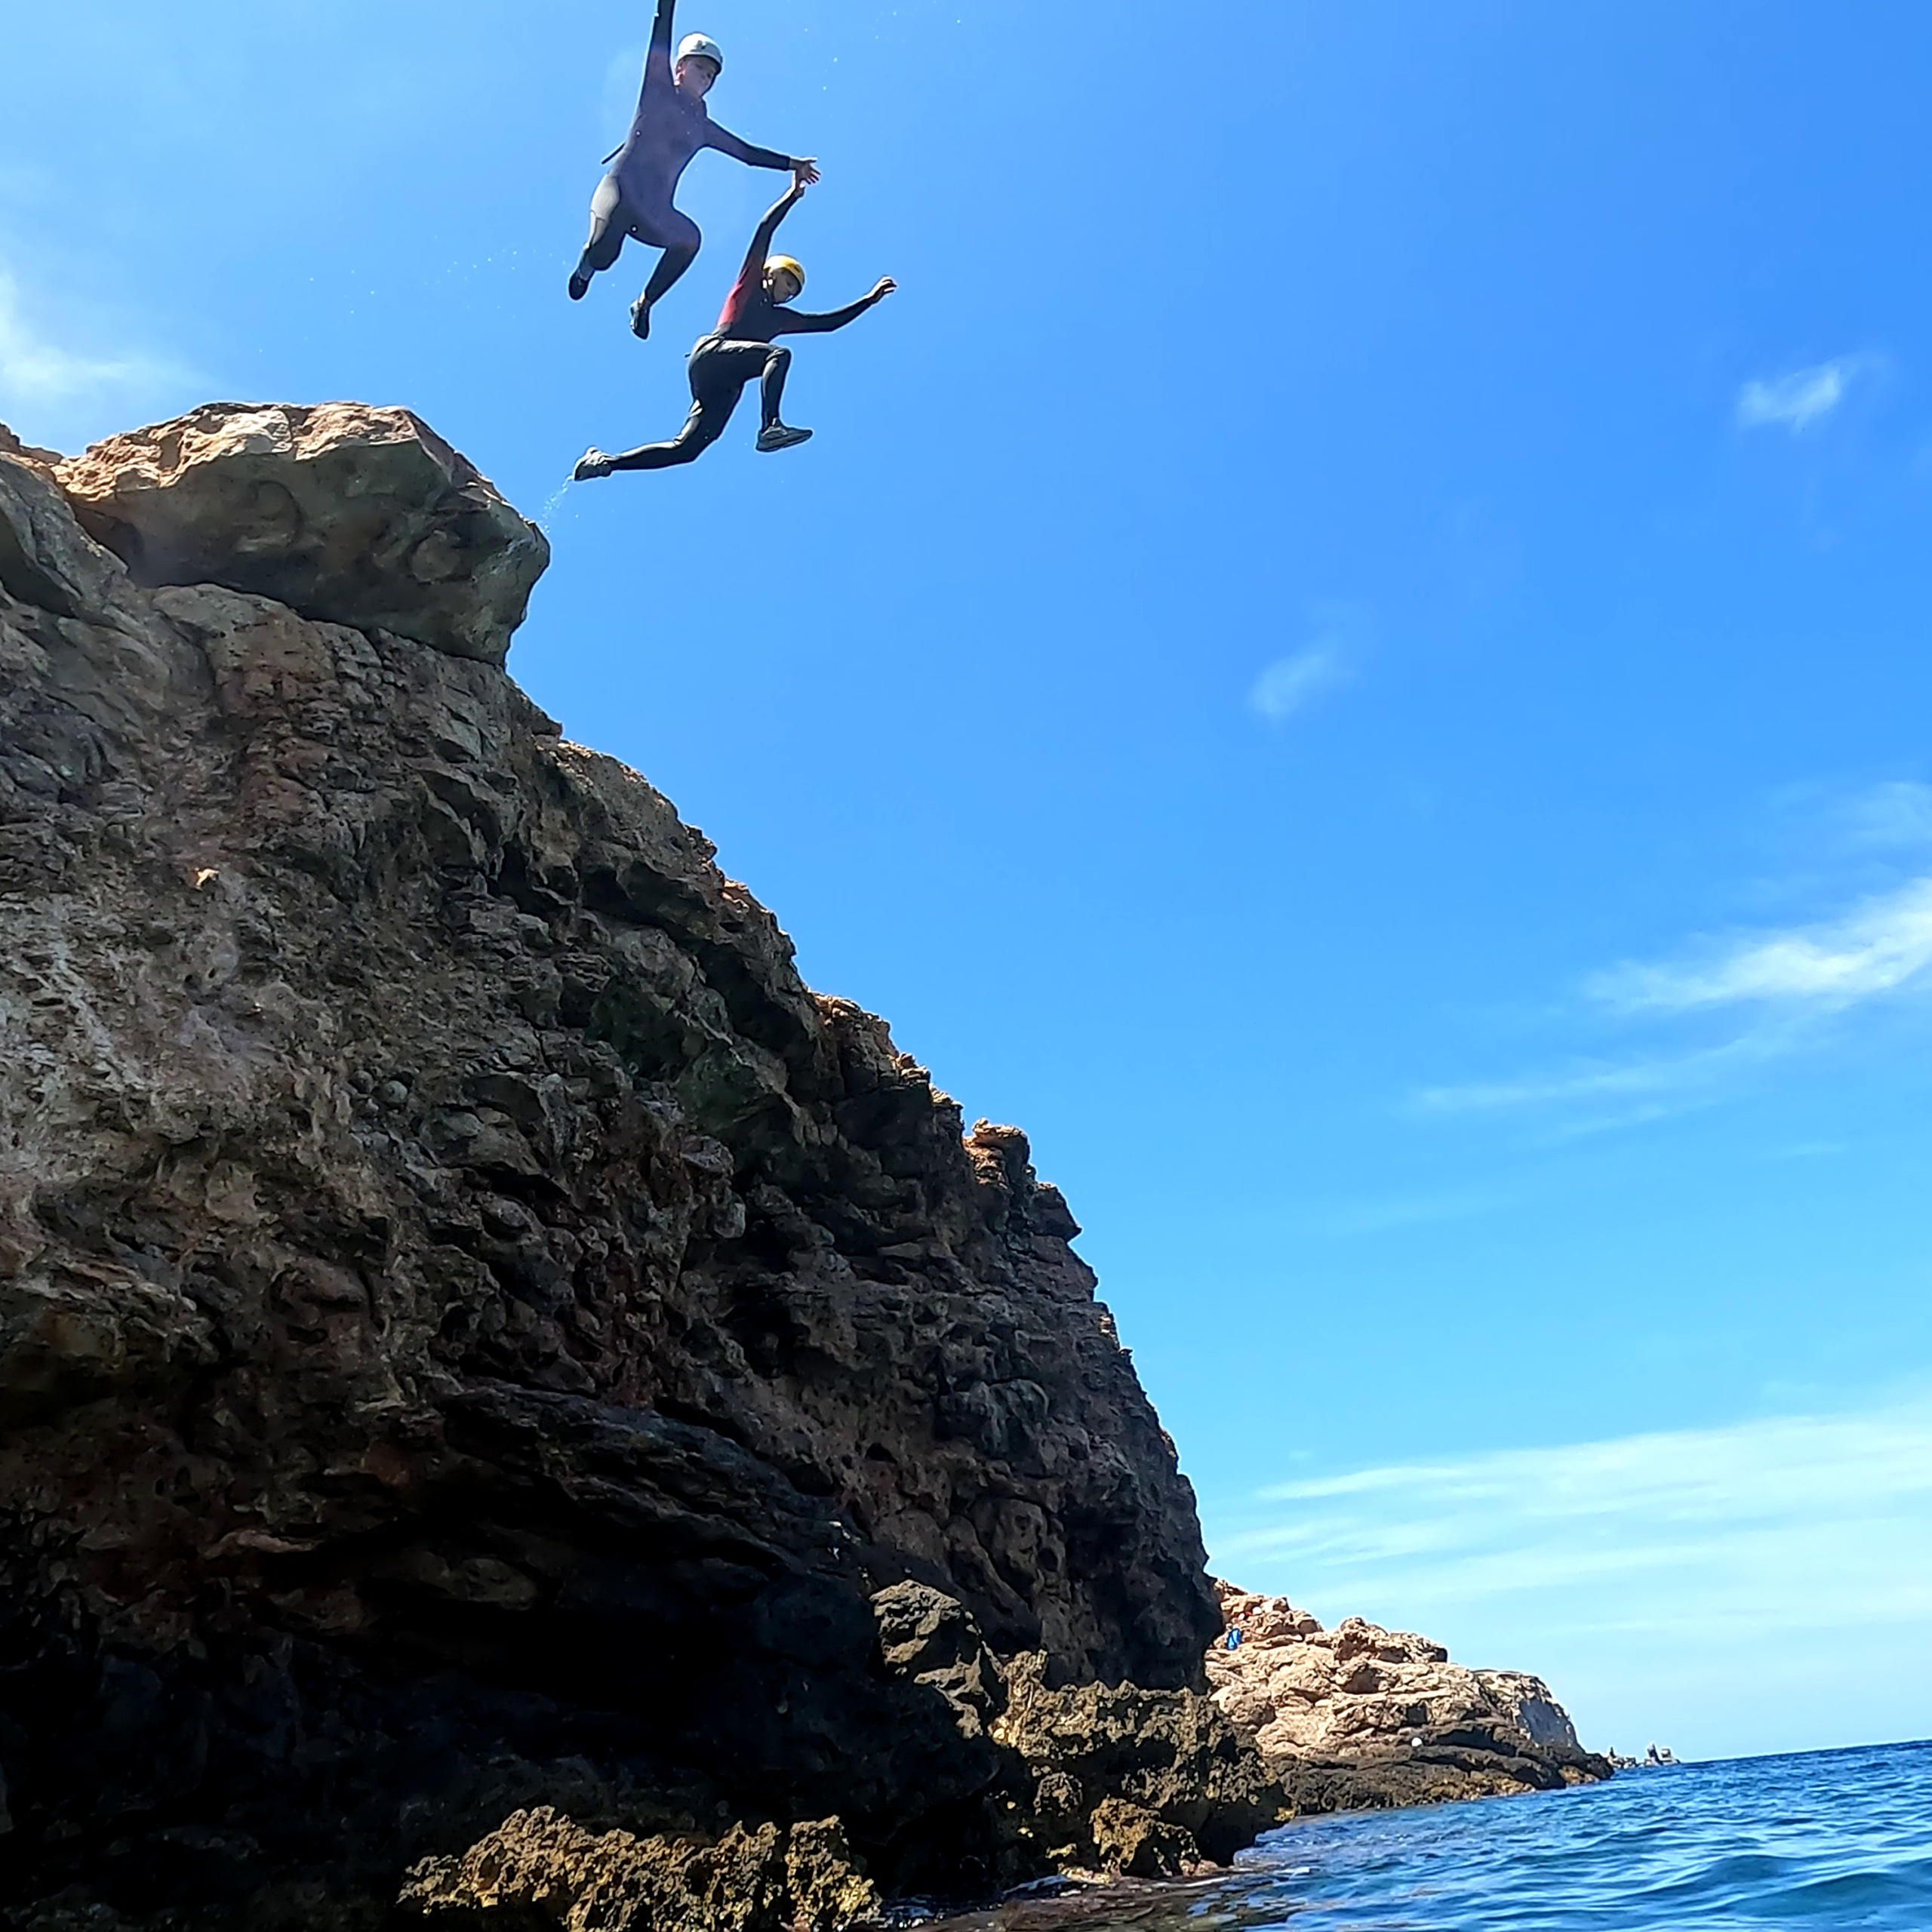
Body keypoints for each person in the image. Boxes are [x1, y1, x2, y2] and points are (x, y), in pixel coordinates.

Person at [574, 177, 894, 478]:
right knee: (778, 355)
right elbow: (765, 230)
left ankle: (604, 463)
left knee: (687, 449)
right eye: (787, 282)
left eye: (794, 291)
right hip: (713, 354)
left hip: (726, 384)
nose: (789, 292)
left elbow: (827, 324)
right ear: (771, 274)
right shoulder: (750, 285)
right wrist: (792, 196)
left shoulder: (781, 319)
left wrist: (869, 300)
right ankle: (771, 426)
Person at [569, 0, 820, 340]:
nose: (706, 79)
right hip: (618, 192)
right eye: (702, 69)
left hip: (654, 211)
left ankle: (643, 303)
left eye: (712, 76)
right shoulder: (656, 89)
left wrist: (792, 164)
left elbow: (746, 153)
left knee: (690, 238)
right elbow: (661, 32)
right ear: (680, 68)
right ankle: (587, 266)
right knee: (604, 255)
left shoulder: (702, 127)